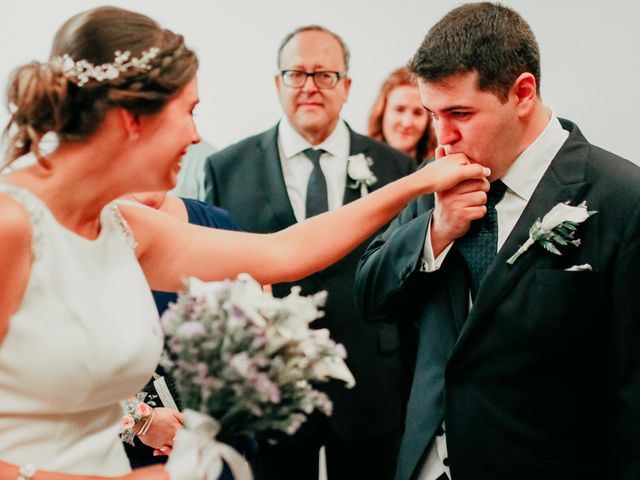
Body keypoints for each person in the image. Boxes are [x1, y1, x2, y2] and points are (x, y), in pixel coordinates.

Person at [0, 6, 488, 480]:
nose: (196, 136)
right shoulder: (11, 224)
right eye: (188, 112)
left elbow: (283, 254)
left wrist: (417, 182)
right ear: (134, 119)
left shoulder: (122, 224)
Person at [355, 3, 640, 480]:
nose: (442, 137)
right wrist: (434, 232)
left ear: (522, 93)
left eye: (460, 113)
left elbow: (633, 389)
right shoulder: (433, 181)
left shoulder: (622, 199)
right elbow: (371, 297)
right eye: (432, 114)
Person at [204, 25, 416, 480]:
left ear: (347, 87)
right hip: (269, 388)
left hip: (371, 381)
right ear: (277, 83)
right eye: (297, 74)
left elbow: (407, 273)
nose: (310, 87)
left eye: (325, 75)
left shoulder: (397, 169)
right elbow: (216, 275)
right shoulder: (226, 168)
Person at [368, 67, 436, 164]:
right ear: (382, 111)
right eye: (399, 110)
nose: (407, 123)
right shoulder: (356, 159)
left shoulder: (438, 168)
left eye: (418, 113)